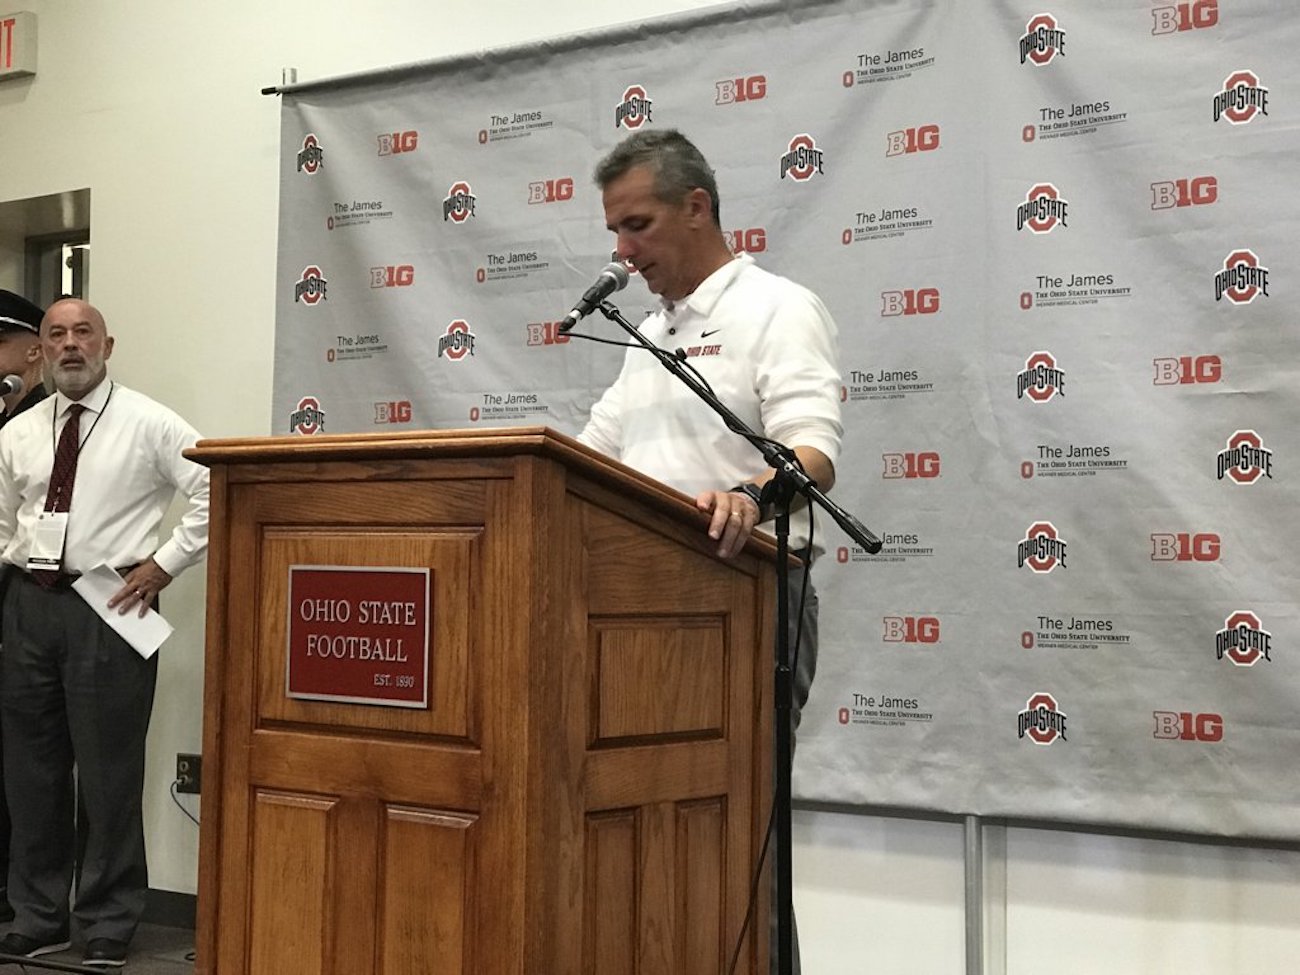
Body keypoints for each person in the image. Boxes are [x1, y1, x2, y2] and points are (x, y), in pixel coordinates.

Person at [576, 129, 842, 975]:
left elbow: (813, 452)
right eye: (615, 231)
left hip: (748, 603)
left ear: (697, 207)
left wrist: (750, 498)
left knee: (741, 839)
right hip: (639, 613)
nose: (622, 252)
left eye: (638, 225)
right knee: (656, 838)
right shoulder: (649, 334)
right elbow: (589, 460)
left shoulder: (777, 308)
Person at [0, 297, 209, 968]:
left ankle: (107, 919)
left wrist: (164, 563)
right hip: (30, 605)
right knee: (30, 772)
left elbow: (215, 485)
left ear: (106, 346)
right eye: (56, 334)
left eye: (83, 333)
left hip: (110, 602)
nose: (70, 345)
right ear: (41, 349)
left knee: (109, 773)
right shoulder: (19, 431)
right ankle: (37, 914)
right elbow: (4, 519)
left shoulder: (149, 421)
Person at [0, 289, 49, 926]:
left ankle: (15, 886)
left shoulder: (47, 423)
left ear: (34, 352)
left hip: (25, 602)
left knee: (21, 756)